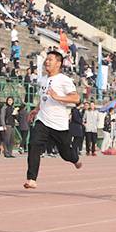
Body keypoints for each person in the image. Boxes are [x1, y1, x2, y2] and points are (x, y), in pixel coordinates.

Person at [24, 50, 82, 189]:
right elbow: (44, 98)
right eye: (46, 60)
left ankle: (75, 159)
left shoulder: (64, 79)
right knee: (33, 144)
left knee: (65, 154)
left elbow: (76, 98)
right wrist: (36, 110)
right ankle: (32, 179)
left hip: (59, 124)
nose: (47, 62)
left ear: (59, 63)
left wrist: (58, 97)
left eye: (50, 60)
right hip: (43, 120)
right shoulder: (43, 79)